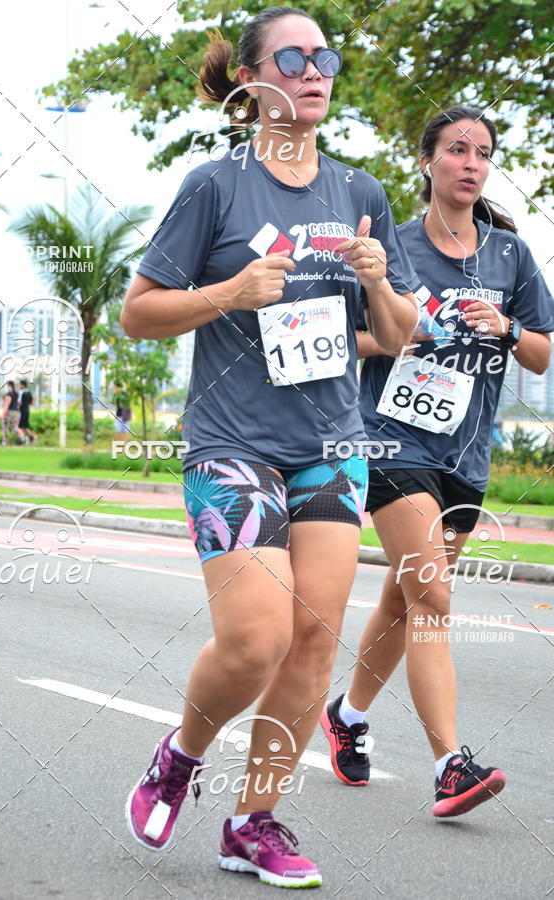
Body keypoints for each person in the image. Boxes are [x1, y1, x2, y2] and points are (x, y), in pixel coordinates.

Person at [120, 6, 417, 887]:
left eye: (324, 55)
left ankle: (254, 824)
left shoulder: (361, 192)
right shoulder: (215, 185)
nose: (315, 69)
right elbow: (140, 313)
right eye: (293, 57)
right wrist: (233, 291)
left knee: (313, 647)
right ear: (254, 80)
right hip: (232, 443)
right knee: (255, 640)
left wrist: (378, 283)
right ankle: (180, 754)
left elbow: (398, 336)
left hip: (331, 443)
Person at [322, 105, 554, 818]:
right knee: (433, 593)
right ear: (427, 162)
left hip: (465, 454)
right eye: (457, 150)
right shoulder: (389, 245)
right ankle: (450, 764)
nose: (471, 163)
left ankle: (348, 715)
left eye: (483, 153)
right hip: (391, 442)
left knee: (406, 593)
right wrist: (403, 336)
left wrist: (510, 327)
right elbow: (345, 335)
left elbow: (542, 354)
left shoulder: (509, 257)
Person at [0, 380, 23, 446]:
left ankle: (5, 441)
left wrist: (2, 414)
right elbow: (18, 403)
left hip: (9, 412)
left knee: (5, 427)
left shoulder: (8, 394)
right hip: (17, 412)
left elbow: (6, 405)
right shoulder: (16, 394)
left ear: (9, 386)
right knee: (15, 428)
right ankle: (24, 439)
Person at [18, 379, 37, 444]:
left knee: (20, 426)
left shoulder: (21, 392)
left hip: (22, 410)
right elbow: (31, 403)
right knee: (25, 427)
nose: (19, 386)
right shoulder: (29, 392)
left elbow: (19, 403)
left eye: (20, 384)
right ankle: (32, 437)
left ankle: (24, 440)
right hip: (27, 410)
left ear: (23, 385)